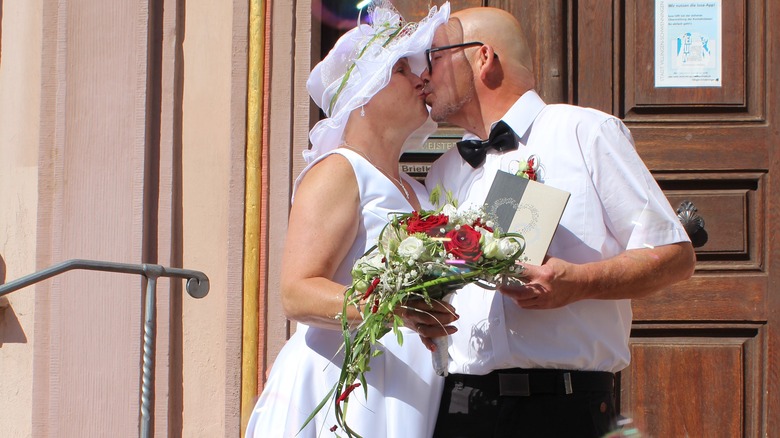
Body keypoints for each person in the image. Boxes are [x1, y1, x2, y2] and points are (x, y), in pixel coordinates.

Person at [403, 7, 697, 437]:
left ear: (483, 57)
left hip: (563, 409)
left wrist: (578, 282)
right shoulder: (444, 171)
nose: (424, 75)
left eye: (435, 57)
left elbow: (675, 256)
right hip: (462, 408)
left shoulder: (585, 133)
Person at [244, 2, 451, 437]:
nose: (421, 79)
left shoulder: (417, 190)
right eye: (401, 70)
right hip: (346, 383)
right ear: (364, 93)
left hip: (404, 389)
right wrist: (394, 307)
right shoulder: (339, 171)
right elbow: (297, 292)